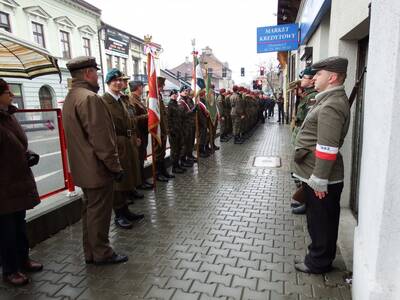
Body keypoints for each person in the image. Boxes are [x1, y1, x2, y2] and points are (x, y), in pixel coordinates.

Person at [63, 56, 127, 265]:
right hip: (97, 169)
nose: (98, 77)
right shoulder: (90, 98)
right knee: (99, 214)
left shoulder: (72, 96)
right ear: (88, 73)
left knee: (90, 213)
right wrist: (115, 166)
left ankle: (90, 252)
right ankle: (102, 253)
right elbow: (102, 139)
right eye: (96, 73)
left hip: (83, 168)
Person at [293, 56, 350, 274]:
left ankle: (318, 262)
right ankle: (320, 257)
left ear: (333, 77)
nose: (314, 77)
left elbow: (327, 146)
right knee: (321, 220)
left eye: (319, 74)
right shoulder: (327, 99)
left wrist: (319, 179)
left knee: (320, 222)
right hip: (317, 172)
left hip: (321, 175)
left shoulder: (331, 104)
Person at [0, 78, 43, 286]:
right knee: (5, 230)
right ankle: (9, 269)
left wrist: (27, 153)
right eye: (8, 92)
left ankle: (22, 259)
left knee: (19, 225)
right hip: (3, 184)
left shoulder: (8, 115)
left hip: (16, 180)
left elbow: (16, 144)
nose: (12, 95)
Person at [102, 68, 145, 230]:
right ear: (108, 83)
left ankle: (126, 210)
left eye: (120, 80)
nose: (119, 83)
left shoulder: (121, 99)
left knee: (128, 177)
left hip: (128, 141)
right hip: (116, 143)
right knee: (118, 181)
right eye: (115, 80)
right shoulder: (104, 101)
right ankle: (119, 214)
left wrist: (135, 136)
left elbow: (130, 120)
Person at [291, 67, 318, 215]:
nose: (302, 81)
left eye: (304, 78)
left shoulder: (313, 97)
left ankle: (308, 204)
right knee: (302, 172)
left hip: (307, 141)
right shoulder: (307, 95)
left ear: (312, 80)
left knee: (307, 173)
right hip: (301, 138)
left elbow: (308, 122)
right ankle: (306, 202)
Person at [129, 81, 153, 190]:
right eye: (142, 87)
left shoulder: (138, 99)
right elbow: (133, 119)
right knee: (139, 159)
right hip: (138, 133)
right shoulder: (131, 100)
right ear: (138, 88)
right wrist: (147, 115)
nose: (143, 88)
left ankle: (142, 180)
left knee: (142, 158)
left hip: (143, 132)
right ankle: (139, 182)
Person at [154, 76, 175, 182]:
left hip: (162, 129)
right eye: (162, 85)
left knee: (162, 152)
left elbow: (163, 114)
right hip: (158, 129)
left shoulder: (159, 96)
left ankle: (163, 172)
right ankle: (158, 174)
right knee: (158, 152)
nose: (163, 87)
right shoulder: (153, 97)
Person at [167, 89, 186, 173]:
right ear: (170, 95)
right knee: (174, 150)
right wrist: (171, 130)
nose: (175, 95)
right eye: (173, 94)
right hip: (173, 131)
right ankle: (174, 167)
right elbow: (168, 119)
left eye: (176, 94)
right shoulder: (170, 105)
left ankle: (177, 165)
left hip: (179, 129)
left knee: (179, 148)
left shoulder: (177, 104)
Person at [178, 86, 197, 166]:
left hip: (190, 123)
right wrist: (193, 109)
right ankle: (183, 160)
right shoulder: (181, 101)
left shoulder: (186, 100)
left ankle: (189, 156)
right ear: (181, 92)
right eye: (184, 91)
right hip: (185, 125)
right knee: (185, 143)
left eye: (187, 91)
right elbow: (184, 114)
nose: (186, 92)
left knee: (190, 141)